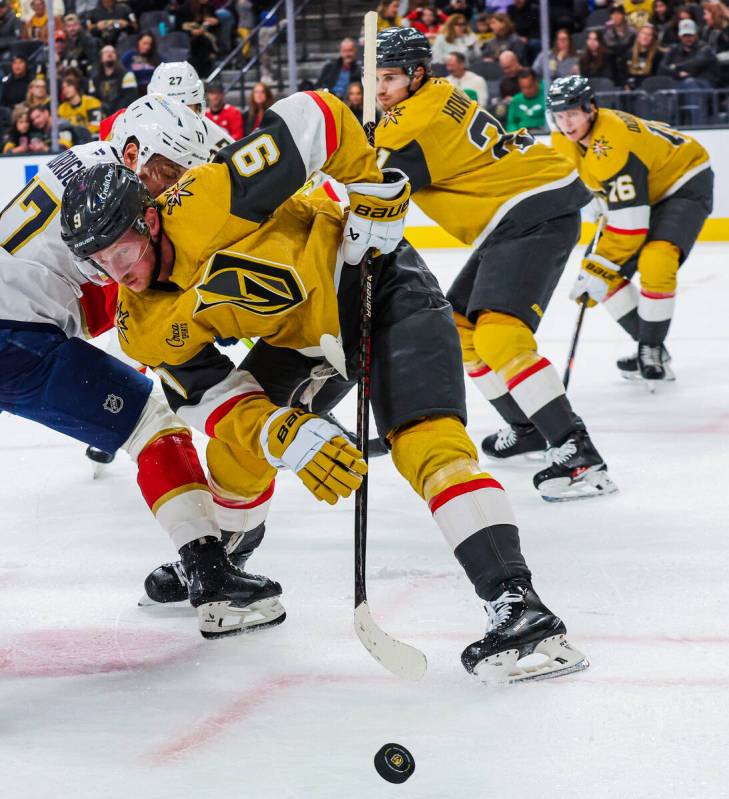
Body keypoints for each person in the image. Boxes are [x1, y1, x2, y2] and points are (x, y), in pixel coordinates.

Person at [59, 88, 588, 685]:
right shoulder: (139, 324)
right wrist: (279, 431)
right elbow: (209, 397)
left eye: (122, 250)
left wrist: (372, 193)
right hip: (301, 343)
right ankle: (226, 572)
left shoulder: (209, 197)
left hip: (379, 286)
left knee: (427, 445)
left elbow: (316, 116)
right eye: (98, 262)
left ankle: (521, 607)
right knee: (234, 450)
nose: (119, 272)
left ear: (149, 217)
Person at [0, 97, 284, 638]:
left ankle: (208, 569)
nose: (170, 188)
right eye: (167, 172)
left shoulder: (89, 166)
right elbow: (133, 293)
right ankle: (213, 581)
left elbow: (92, 303)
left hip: (18, 324)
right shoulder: (109, 195)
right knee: (153, 426)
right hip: (14, 336)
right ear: (133, 151)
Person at [376, 27, 616, 502]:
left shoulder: (413, 126)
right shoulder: (437, 95)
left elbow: (374, 186)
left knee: (500, 334)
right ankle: (526, 425)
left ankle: (579, 456)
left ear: (417, 74)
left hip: (534, 211)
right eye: (374, 79)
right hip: (518, 214)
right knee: (463, 326)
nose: (380, 90)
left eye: (389, 78)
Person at [548, 76, 713, 383]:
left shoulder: (614, 140)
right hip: (640, 189)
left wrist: (600, 265)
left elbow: (631, 228)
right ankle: (651, 349)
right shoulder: (562, 138)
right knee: (599, 276)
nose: (565, 123)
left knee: (656, 258)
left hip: (683, 181)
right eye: (558, 116)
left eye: (571, 113)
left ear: (590, 109)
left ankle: (650, 350)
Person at [89, 43, 138, 116]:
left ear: (116, 56)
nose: (110, 54)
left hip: (122, 115)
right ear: (101, 58)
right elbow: (93, 100)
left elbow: (129, 98)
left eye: (113, 52)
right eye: (106, 52)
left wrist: (115, 114)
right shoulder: (93, 80)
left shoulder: (127, 75)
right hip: (102, 116)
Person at [621, 23, 662, 87]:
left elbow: (656, 76)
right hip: (630, 88)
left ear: (653, 38)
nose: (645, 37)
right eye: (643, 33)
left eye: (649, 35)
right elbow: (622, 74)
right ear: (638, 36)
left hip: (649, 87)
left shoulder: (657, 55)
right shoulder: (629, 53)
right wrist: (625, 85)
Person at [120, 29, 161, 94]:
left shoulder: (156, 57)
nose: (147, 47)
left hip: (152, 90)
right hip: (134, 90)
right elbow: (121, 70)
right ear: (138, 42)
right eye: (144, 43)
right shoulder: (129, 55)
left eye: (150, 44)